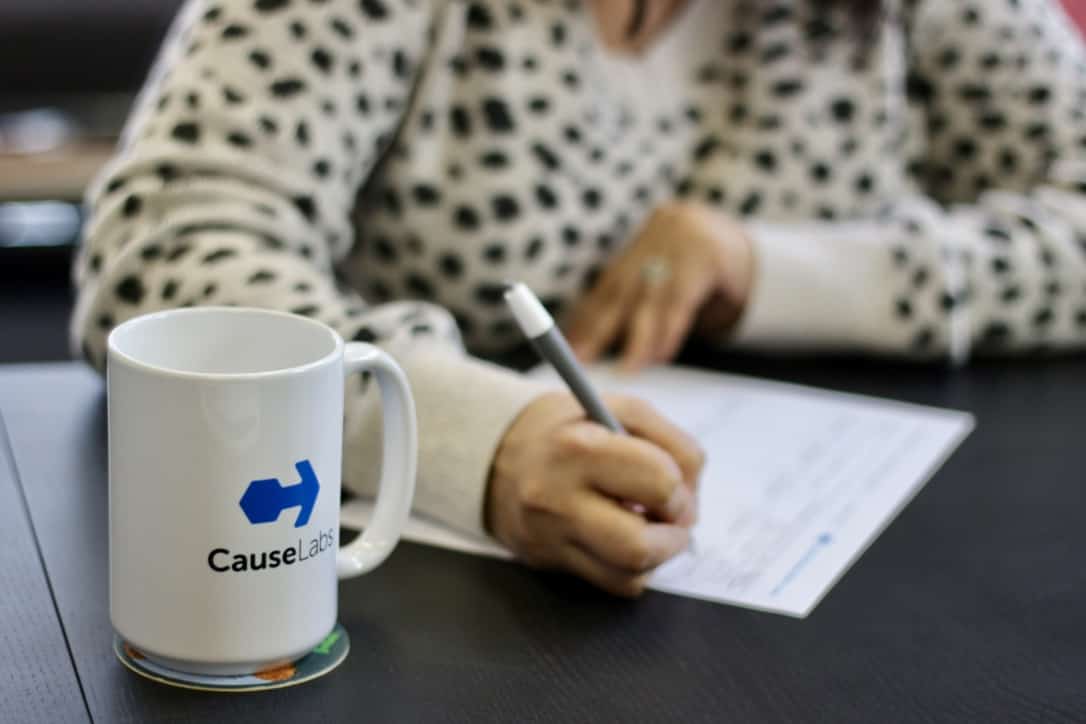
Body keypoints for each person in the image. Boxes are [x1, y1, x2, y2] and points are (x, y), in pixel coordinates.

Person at [73, 0, 1086, 595]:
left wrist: (766, 268)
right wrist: (480, 436)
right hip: (426, 585)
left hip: (882, 564)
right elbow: (159, 254)